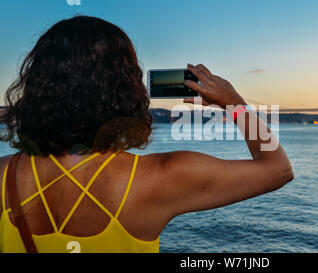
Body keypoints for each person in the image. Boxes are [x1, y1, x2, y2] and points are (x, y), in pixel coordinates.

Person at [0, 16, 293, 253]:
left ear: (36, 87)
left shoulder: (2, 175)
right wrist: (233, 104)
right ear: (125, 86)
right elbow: (277, 169)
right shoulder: (161, 177)